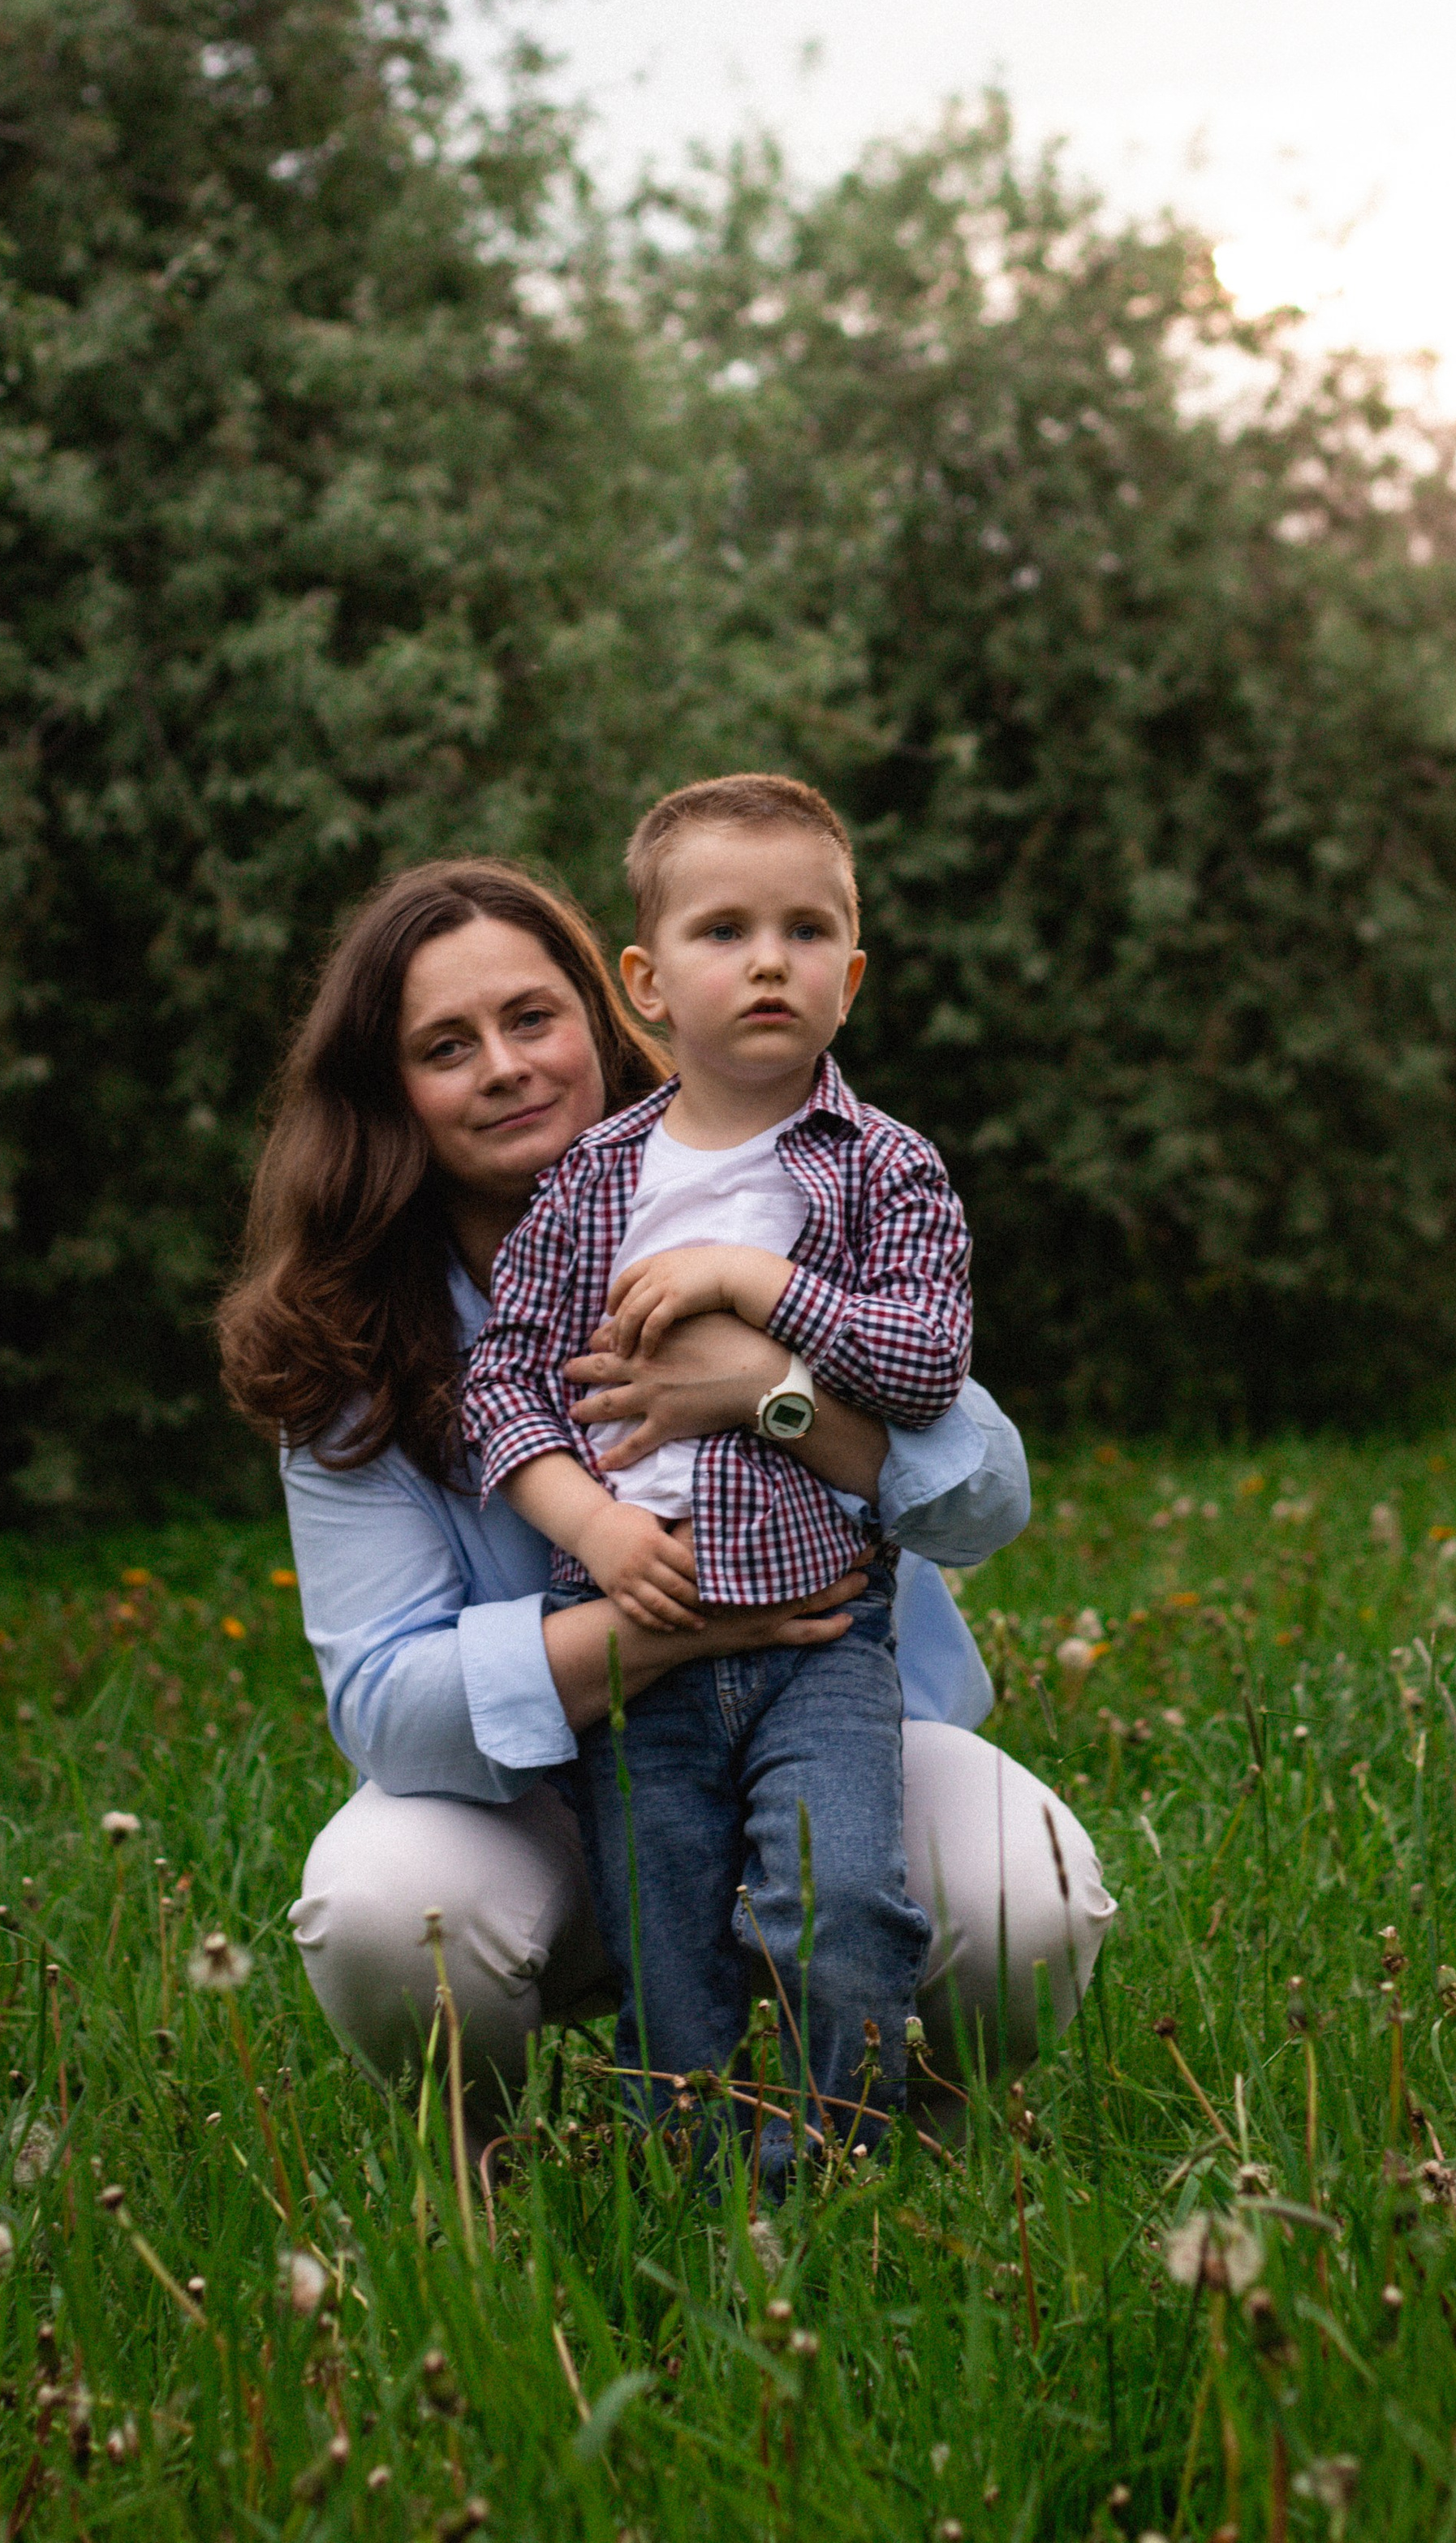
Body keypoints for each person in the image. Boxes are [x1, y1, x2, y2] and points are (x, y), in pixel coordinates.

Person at [217, 854, 1113, 2138]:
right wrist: (681, 1621)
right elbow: (388, 1711)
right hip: (550, 1808)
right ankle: (487, 2161)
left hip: (835, 1731)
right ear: (389, 1097)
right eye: (446, 1046)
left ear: (611, 1014)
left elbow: (985, 1500)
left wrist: (769, 1385)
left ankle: (916, 2140)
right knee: (385, 1908)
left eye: (533, 1018)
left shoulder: (778, 1192)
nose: (507, 1066)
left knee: (1029, 1896)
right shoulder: (347, 1348)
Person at [463, 777, 972, 2156]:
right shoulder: (591, 1182)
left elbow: (924, 1366)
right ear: (644, 984)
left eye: (808, 932)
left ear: (851, 978)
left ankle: (841, 2163)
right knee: (663, 1942)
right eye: (724, 930)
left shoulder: (887, 1173)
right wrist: (592, 1527)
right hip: (642, 1648)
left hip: (825, 1646)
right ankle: (683, 2198)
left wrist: (760, 1282)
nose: (767, 960)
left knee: (844, 1902)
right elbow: (504, 1379)